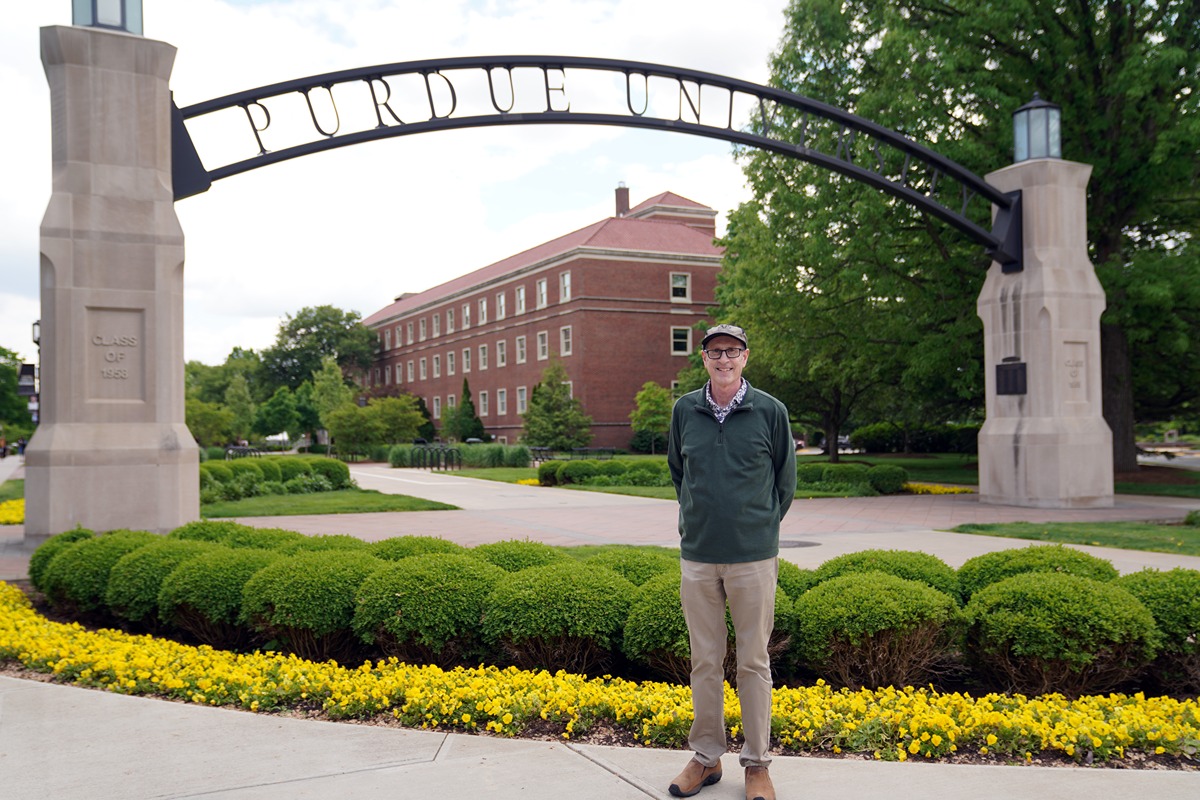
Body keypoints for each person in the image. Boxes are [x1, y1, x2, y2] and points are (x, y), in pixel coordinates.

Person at [666, 324, 796, 800]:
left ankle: (757, 764)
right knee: (704, 660)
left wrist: (758, 528)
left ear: (746, 357)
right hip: (698, 556)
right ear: (703, 358)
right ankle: (705, 758)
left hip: (752, 558)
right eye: (716, 351)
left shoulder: (770, 411)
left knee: (753, 661)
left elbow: (785, 480)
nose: (724, 358)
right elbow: (679, 474)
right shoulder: (685, 410)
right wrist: (699, 522)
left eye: (733, 351)